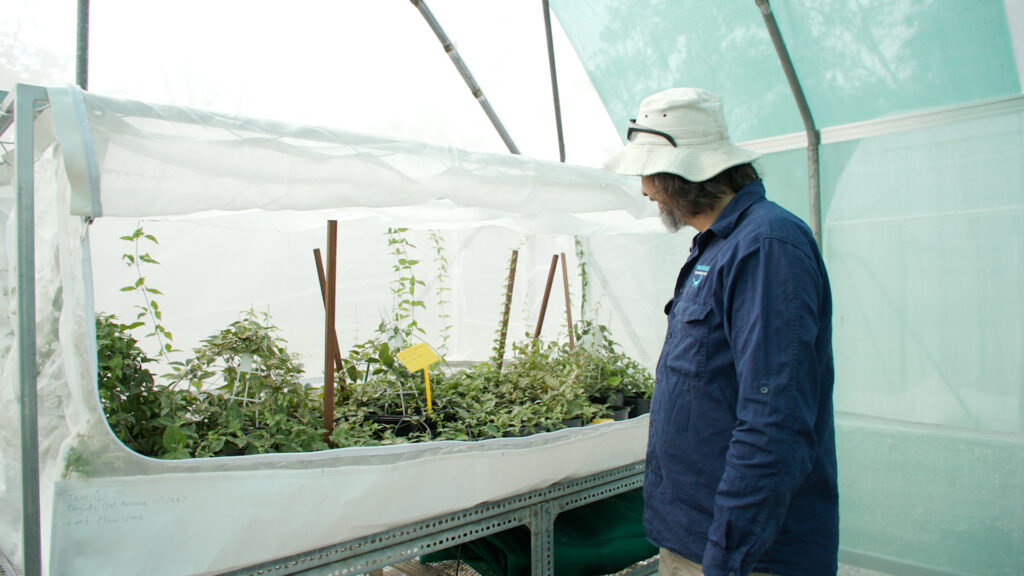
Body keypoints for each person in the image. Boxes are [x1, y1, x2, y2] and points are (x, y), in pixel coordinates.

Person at [604, 87, 838, 576]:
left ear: (682, 172)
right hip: (696, 537)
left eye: (649, 174)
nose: (645, 190)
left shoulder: (766, 247)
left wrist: (727, 557)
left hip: (744, 555)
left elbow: (774, 419)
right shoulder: (716, 246)